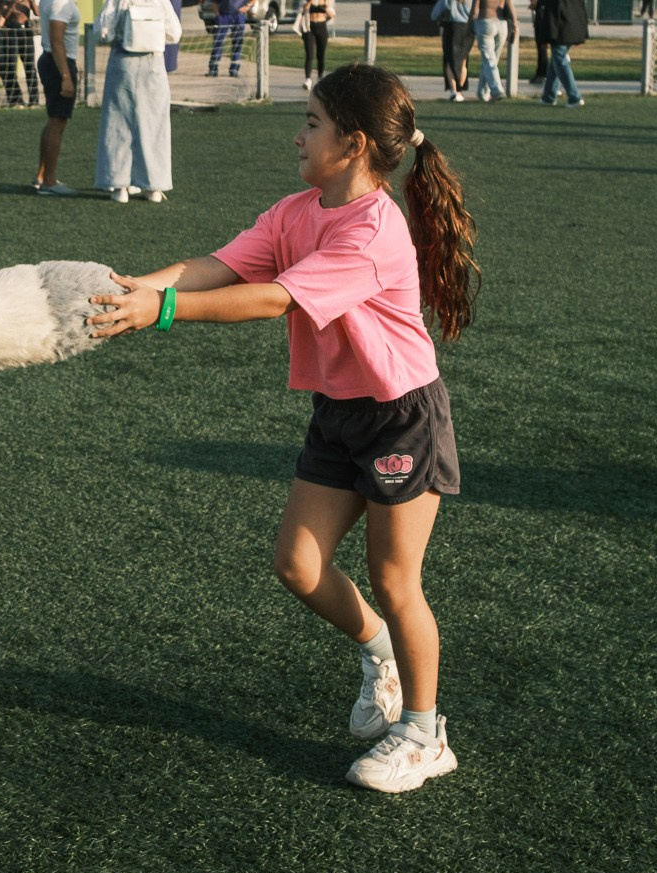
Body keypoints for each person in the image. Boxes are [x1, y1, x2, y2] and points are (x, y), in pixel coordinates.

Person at [86, 63, 481, 793]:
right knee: (297, 566)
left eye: (311, 122)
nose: (298, 135)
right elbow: (221, 265)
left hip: (400, 418)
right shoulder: (298, 210)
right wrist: (140, 287)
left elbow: (274, 300)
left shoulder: (372, 231)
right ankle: (381, 655)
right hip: (339, 411)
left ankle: (426, 734)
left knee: (396, 582)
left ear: (355, 143)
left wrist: (164, 313)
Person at [94, 0, 181, 203]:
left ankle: (119, 185)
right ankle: (153, 186)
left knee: (119, 123)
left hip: (123, 61)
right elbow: (174, 33)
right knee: (155, 124)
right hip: (153, 64)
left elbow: (102, 32)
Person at [34, 0, 83, 195]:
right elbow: (56, 40)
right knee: (57, 121)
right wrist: (66, 75)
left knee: (54, 120)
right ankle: (49, 182)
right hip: (57, 61)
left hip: (55, 60)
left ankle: (43, 176)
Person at [541, 0, 589, 107]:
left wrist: (549, 35)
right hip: (574, 30)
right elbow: (582, 11)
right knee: (555, 62)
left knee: (560, 61)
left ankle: (574, 96)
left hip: (561, 32)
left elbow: (552, 14)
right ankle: (548, 96)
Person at [0, 0, 38, 108]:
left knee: (30, 67)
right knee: (10, 66)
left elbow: (37, 13)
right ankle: (16, 99)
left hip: (25, 32)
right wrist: (15, 0)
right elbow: (5, 15)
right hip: (11, 31)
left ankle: (34, 100)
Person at [469, 0, 509, 103]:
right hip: (501, 24)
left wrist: (470, 25)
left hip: (485, 22)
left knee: (489, 60)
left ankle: (497, 90)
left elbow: (475, 9)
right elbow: (507, 3)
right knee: (492, 60)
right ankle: (482, 91)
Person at [431, 0, 472, 101]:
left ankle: (454, 90)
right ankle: (460, 90)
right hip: (467, 30)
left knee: (450, 61)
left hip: (452, 28)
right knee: (463, 61)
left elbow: (434, 13)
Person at [208, 0, 255, 77]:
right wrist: (217, 14)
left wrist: (247, 7)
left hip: (238, 16)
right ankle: (213, 68)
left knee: (237, 42)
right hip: (224, 16)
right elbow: (214, 1)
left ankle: (234, 69)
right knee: (218, 41)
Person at [299, 0, 335, 88]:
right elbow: (303, 11)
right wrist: (311, 1)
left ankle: (320, 77)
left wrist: (325, 9)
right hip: (309, 28)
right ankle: (308, 79)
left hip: (321, 26)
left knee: (321, 55)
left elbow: (331, 15)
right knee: (309, 54)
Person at [530, 0, 555, 83]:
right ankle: (539, 72)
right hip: (540, 22)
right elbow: (536, 5)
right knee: (540, 49)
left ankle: (545, 74)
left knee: (546, 50)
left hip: (549, 24)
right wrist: (534, 4)